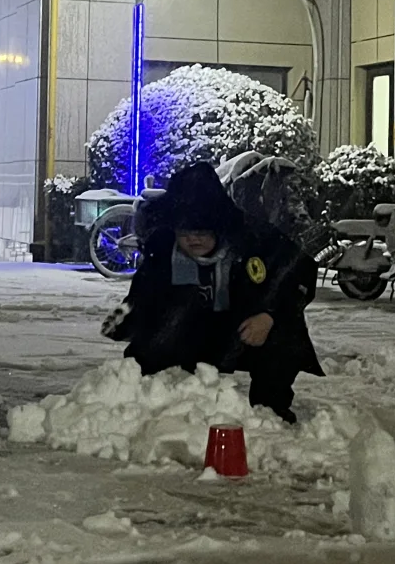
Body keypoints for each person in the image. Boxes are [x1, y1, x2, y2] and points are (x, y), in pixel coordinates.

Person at [103, 162, 323, 422]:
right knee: (154, 338)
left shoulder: (255, 238)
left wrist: (270, 315)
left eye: (202, 232)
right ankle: (165, 403)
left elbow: (301, 273)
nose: (193, 240)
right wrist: (126, 322)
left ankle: (270, 408)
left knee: (285, 330)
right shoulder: (163, 248)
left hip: (245, 329)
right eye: (185, 232)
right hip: (190, 330)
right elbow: (143, 296)